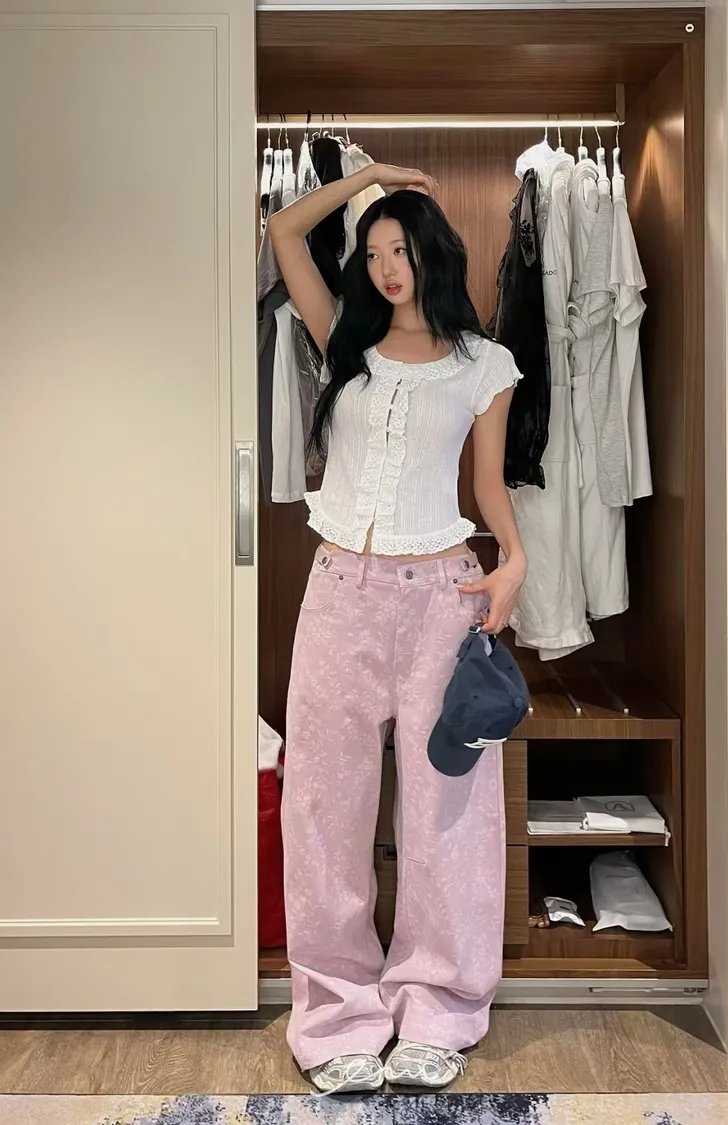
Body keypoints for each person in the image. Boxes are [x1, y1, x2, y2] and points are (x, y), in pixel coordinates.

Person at [268, 162, 527, 1095]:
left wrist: (514, 560)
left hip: (439, 599)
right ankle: (335, 1013)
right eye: (374, 252)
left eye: (400, 249)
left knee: (446, 808)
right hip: (338, 592)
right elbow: (283, 234)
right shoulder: (345, 338)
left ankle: (440, 1004)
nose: (385, 267)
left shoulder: (483, 364)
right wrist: (368, 180)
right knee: (322, 808)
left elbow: (487, 485)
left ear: (432, 254)